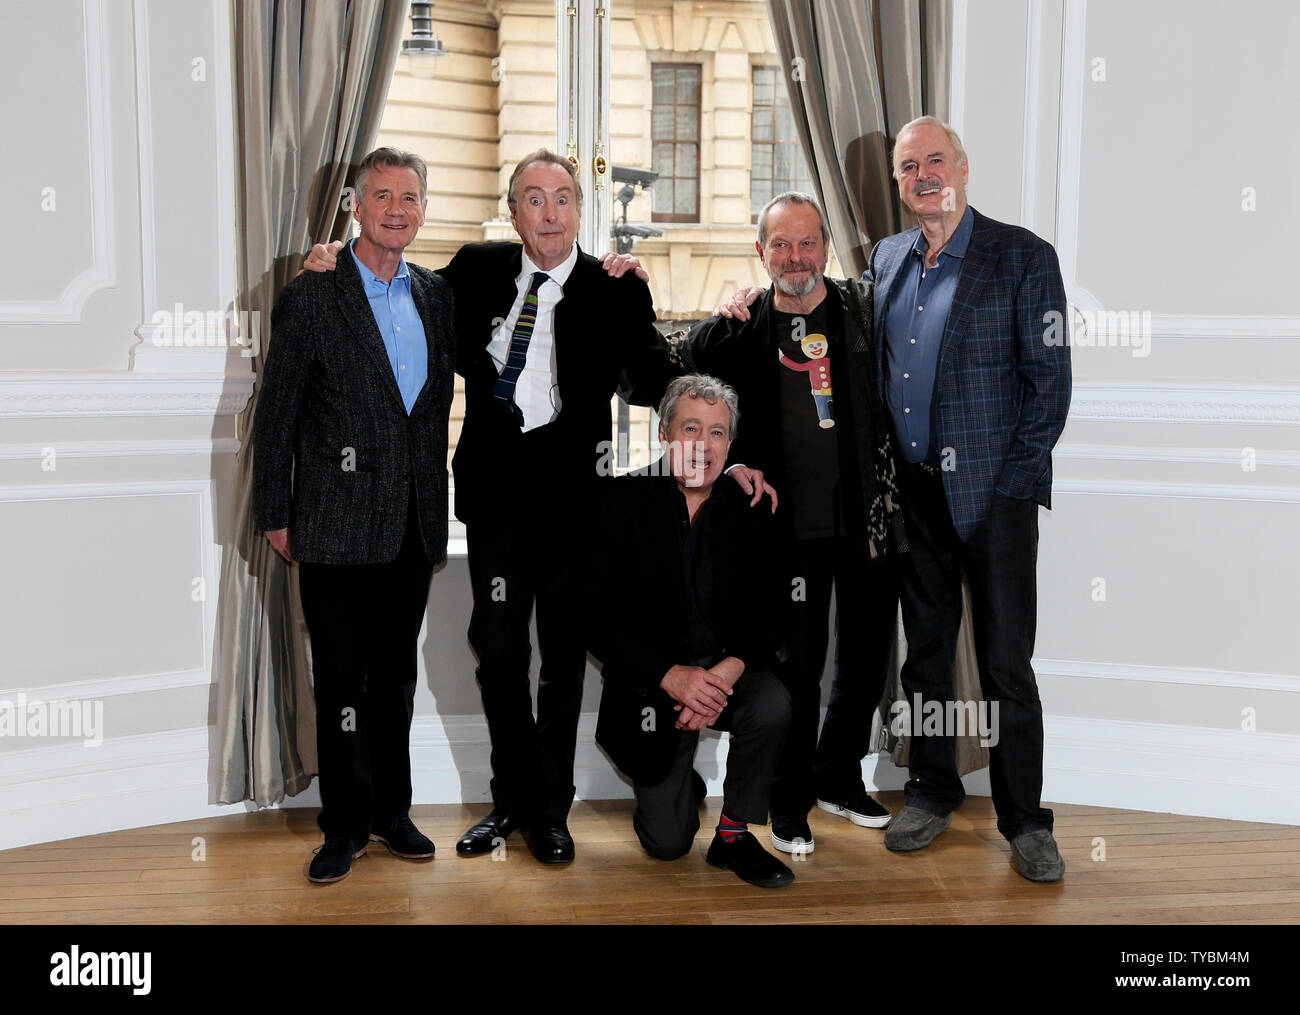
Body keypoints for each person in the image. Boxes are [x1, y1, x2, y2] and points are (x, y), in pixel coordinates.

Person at [303, 151, 678, 864]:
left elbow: (657, 382)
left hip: (579, 509)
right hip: (497, 501)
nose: (549, 213)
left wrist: (724, 340)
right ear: (513, 213)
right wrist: (334, 261)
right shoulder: (475, 270)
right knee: (499, 652)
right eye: (532, 199)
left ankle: (552, 813)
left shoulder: (613, 289)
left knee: (562, 662)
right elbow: (394, 293)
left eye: (562, 199)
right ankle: (514, 801)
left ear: (579, 209)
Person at [866, 116, 1071, 881]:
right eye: (907, 165)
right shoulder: (886, 259)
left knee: (1005, 663)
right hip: (916, 498)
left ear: (963, 166)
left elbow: (1050, 387)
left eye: (935, 159)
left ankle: (1025, 819)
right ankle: (930, 788)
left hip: (997, 499)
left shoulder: (1022, 257)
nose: (923, 173)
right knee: (924, 657)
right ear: (898, 182)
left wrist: (1008, 493)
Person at [254, 147, 455, 884]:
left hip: (411, 525)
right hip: (332, 525)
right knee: (339, 682)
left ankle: (391, 812)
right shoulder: (312, 295)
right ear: (356, 207)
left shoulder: (436, 295)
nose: (398, 208)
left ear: (422, 208)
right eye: (382, 196)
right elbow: (276, 416)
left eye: (410, 196)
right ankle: (342, 824)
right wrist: (278, 511)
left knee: (393, 679)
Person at [684, 193, 906, 856]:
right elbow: (679, 386)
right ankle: (789, 800)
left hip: (865, 520)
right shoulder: (739, 326)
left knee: (864, 658)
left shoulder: (861, 312)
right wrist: (725, 467)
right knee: (798, 667)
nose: (796, 257)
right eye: (781, 245)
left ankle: (839, 776)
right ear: (762, 252)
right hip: (782, 534)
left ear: (826, 249)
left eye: (807, 243)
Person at [590, 375, 795, 888]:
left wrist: (728, 670)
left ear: (730, 443)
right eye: (690, 428)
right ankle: (678, 786)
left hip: (724, 673)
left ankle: (732, 835)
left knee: (772, 701)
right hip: (652, 686)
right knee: (667, 845)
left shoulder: (752, 506)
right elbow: (596, 616)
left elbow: (774, 608)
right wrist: (670, 676)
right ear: (664, 433)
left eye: (718, 433)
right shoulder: (620, 502)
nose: (703, 446)